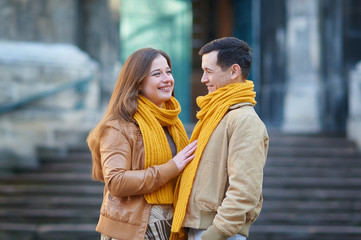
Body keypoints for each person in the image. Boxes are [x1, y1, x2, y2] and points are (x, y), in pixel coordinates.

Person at [87, 48, 197, 240]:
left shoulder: (173, 123)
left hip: (171, 228)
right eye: (157, 74)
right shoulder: (118, 126)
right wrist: (171, 168)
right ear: (137, 83)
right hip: (135, 231)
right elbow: (116, 182)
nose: (167, 79)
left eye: (168, 72)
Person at [171, 37, 269, 240]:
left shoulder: (244, 120)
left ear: (234, 71)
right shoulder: (215, 113)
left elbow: (245, 188)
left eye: (209, 71)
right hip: (202, 229)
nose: (203, 79)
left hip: (219, 233)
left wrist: (216, 233)